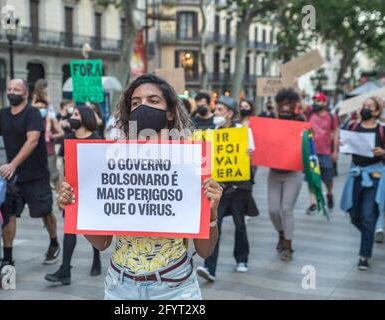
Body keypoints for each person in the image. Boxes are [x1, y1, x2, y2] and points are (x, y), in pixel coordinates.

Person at [57, 74, 222, 300]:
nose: (142, 107)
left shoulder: (191, 162)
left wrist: (211, 213)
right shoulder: (113, 161)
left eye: (153, 101)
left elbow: (205, 251)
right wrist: (78, 207)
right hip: (119, 287)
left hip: (175, 288)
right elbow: (102, 243)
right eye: (136, 103)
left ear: (170, 111)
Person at [0, 79, 61, 266]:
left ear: (25, 94)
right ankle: (8, 258)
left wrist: (12, 164)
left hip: (36, 174)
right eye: (10, 89)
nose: (12, 92)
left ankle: (54, 242)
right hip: (12, 178)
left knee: (44, 212)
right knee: (9, 214)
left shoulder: (33, 113)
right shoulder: (2, 114)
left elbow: (33, 140)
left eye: (16, 89)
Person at [196, 96, 257, 281]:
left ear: (230, 113)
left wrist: (248, 153)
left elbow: (250, 154)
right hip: (219, 189)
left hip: (238, 188)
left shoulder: (243, 132)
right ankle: (209, 268)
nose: (215, 113)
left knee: (240, 225)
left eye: (220, 110)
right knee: (215, 224)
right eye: (216, 110)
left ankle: (242, 259)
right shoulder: (211, 132)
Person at [45, 105, 102, 284]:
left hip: (92, 191)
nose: (72, 116)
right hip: (72, 191)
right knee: (69, 229)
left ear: (85, 118)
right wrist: (62, 190)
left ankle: (96, 259)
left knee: (92, 228)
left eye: (76, 114)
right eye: (73, 114)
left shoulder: (96, 140)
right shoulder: (68, 139)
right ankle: (65, 270)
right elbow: (63, 167)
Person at [340, 97, 385, 270]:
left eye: (369, 107)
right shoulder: (352, 127)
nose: (365, 109)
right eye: (364, 106)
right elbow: (346, 150)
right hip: (356, 176)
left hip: (375, 177)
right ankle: (370, 232)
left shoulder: (381, 130)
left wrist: (382, 153)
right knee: (354, 215)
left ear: (376, 111)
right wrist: (342, 145)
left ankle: (364, 256)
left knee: (367, 216)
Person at [268, 88, 305, 262]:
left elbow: (308, 146)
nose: (285, 108)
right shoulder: (270, 122)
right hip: (274, 173)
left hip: (293, 173)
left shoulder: (301, 123)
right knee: (273, 210)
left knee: (286, 209)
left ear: (294, 105)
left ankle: (288, 247)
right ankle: (282, 234)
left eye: (288, 104)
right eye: (282, 104)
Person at [306, 93, 339, 214]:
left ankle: (329, 193)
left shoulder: (331, 116)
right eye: (314, 101)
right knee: (312, 178)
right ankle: (313, 203)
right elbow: (300, 102)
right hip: (312, 152)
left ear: (325, 103)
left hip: (326, 152)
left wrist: (335, 151)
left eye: (318, 101)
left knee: (328, 179)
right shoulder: (310, 113)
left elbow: (336, 133)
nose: (315, 103)